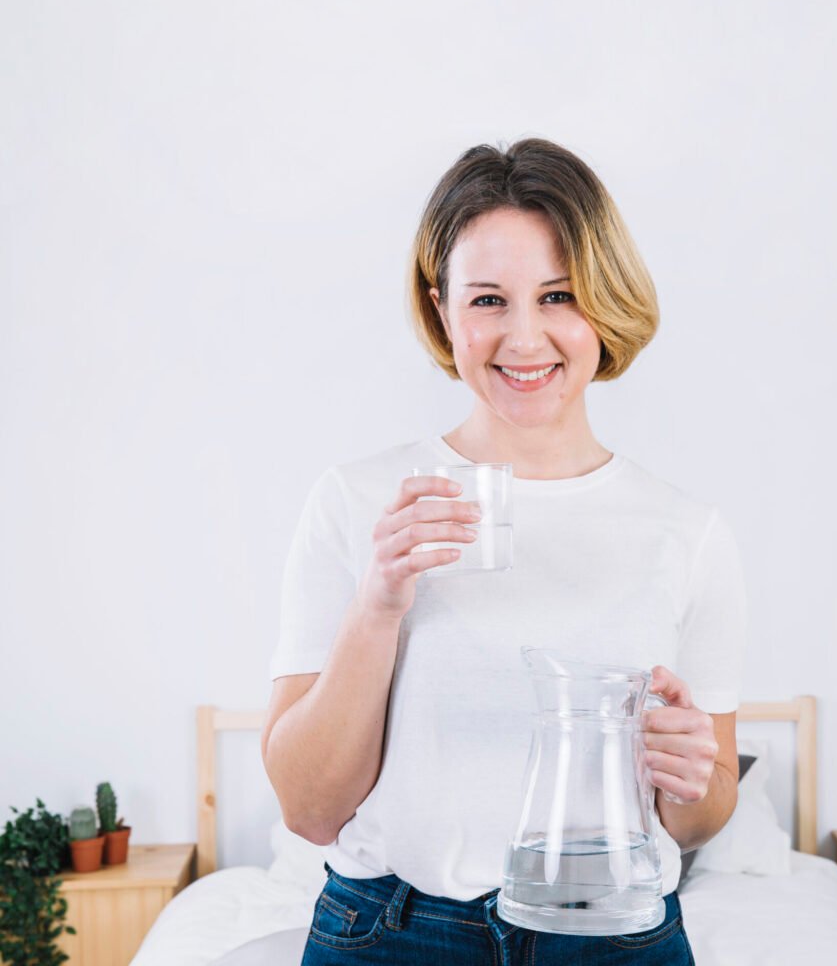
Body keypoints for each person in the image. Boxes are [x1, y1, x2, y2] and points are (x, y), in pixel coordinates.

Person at [262, 137, 747, 965]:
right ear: (442, 308)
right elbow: (310, 812)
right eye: (488, 300)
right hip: (393, 936)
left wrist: (691, 774)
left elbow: (701, 816)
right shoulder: (358, 501)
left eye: (558, 295)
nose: (524, 339)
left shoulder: (686, 532)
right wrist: (379, 602)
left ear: (605, 301)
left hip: (614, 935)